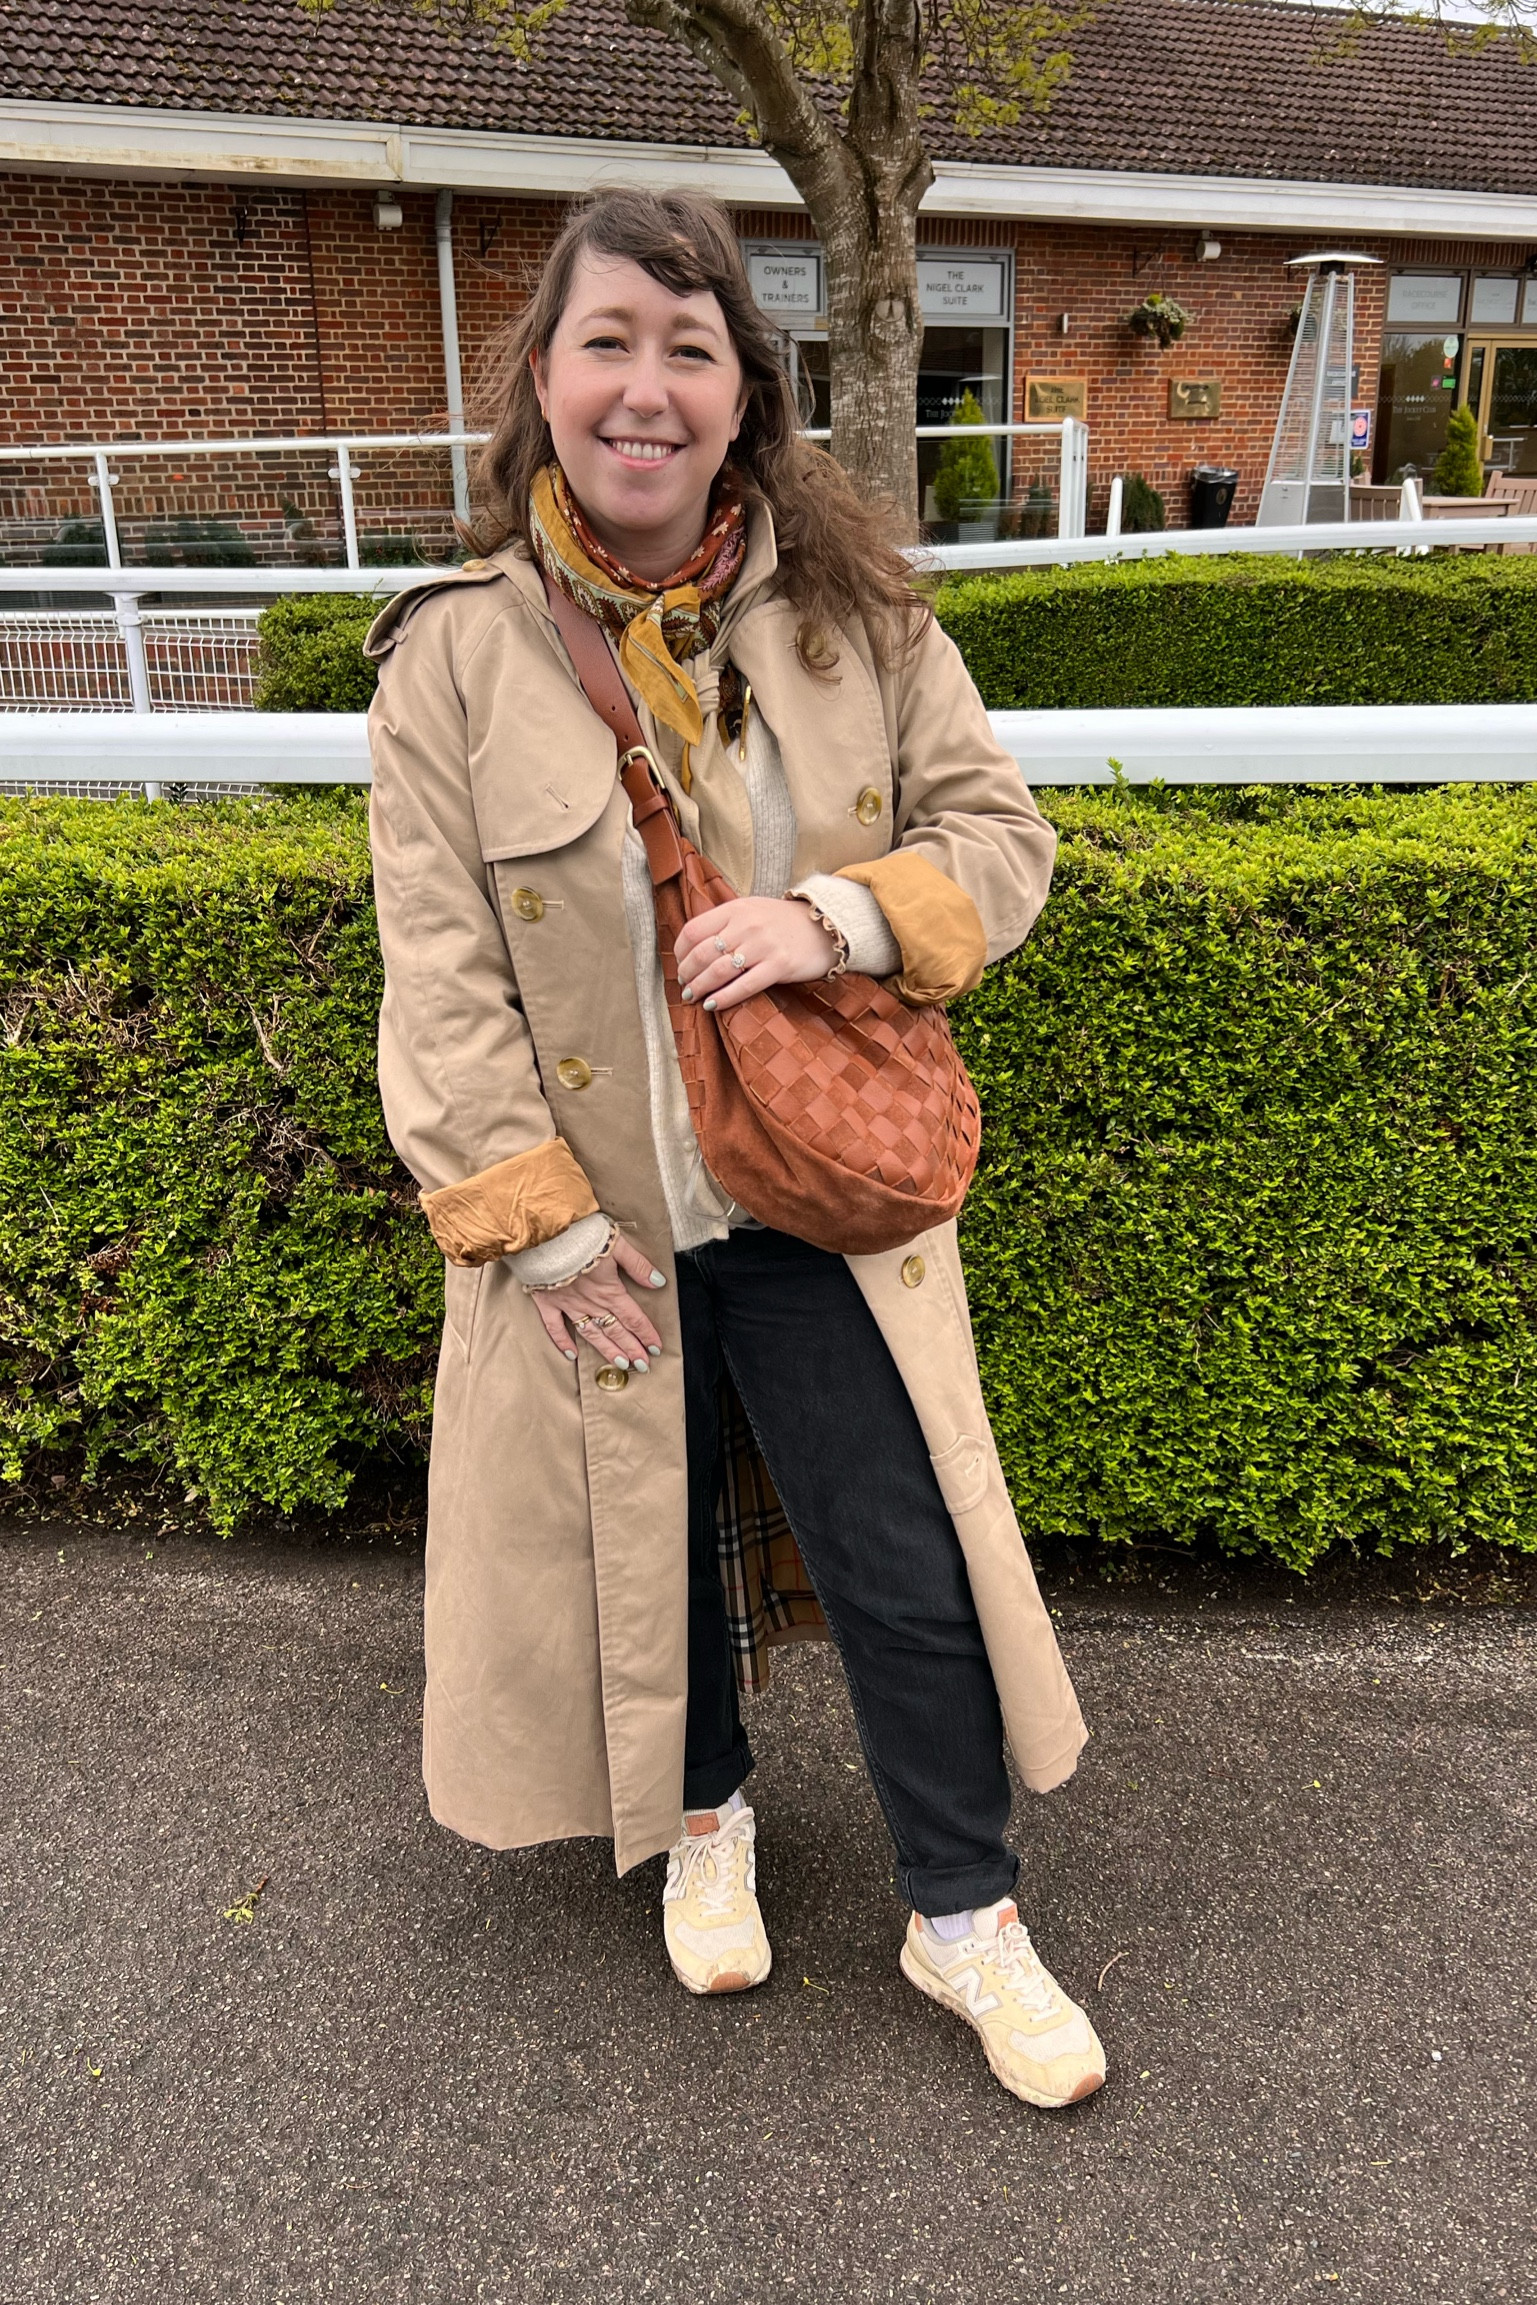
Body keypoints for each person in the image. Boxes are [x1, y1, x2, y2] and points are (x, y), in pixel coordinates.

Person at [364, 187, 1104, 2110]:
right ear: (543, 378)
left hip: (808, 1198)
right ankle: (704, 1813)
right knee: (647, 1544)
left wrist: (838, 917)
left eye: (690, 350)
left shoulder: (859, 617)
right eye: (608, 340)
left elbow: (998, 839)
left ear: (742, 397)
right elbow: (438, 981)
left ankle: (967, 1918)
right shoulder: (446, 662)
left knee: (904, 1552)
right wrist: (529, 1233)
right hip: (592, 1215)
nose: (646, 386)